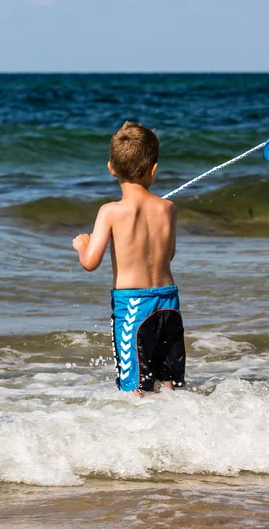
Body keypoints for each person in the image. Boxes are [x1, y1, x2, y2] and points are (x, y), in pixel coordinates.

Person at [72, 121, 185, 393]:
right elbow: (169, 255)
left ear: (111, 168)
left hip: (134, 307)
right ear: (153, 170)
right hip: (168, 302)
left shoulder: (110, 211)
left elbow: (90, 262)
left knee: (135, 388)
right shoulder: (168, 208)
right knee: (169, 383)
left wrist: (82, 246)